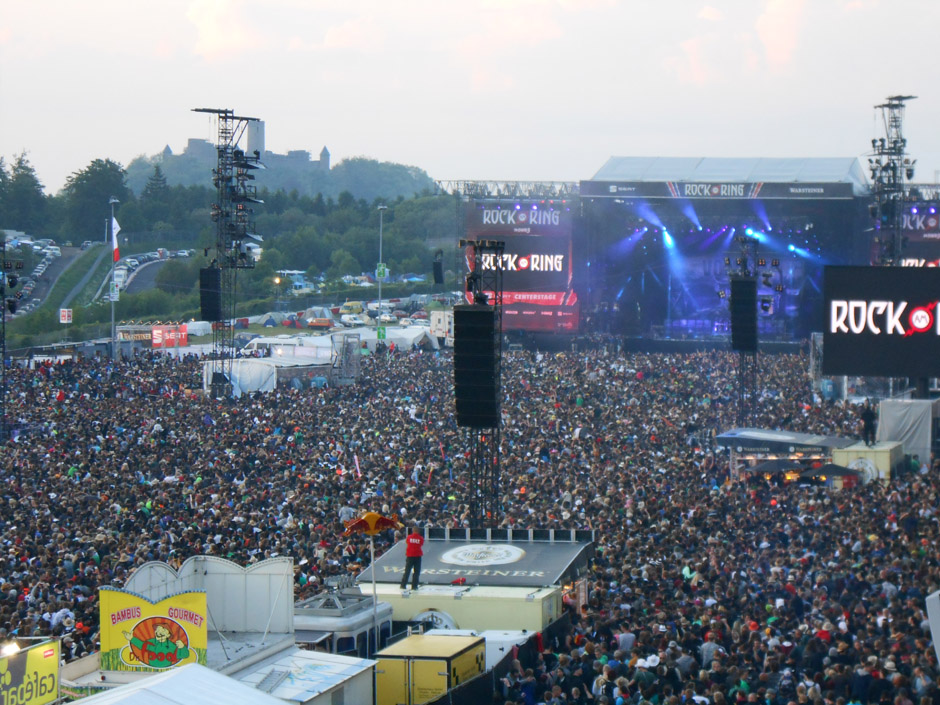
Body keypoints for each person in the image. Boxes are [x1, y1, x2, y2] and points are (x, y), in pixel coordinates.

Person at [400, 526, 424, 591]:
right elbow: (421, 544)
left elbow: (407, 542)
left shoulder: (409, 537)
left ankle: (403, 585)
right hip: (417, 556)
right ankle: (414, 586)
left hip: (410, 555)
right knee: (416, 572)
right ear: (418, 531)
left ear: (413, 531)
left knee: (407, 571)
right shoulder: (420, 538)